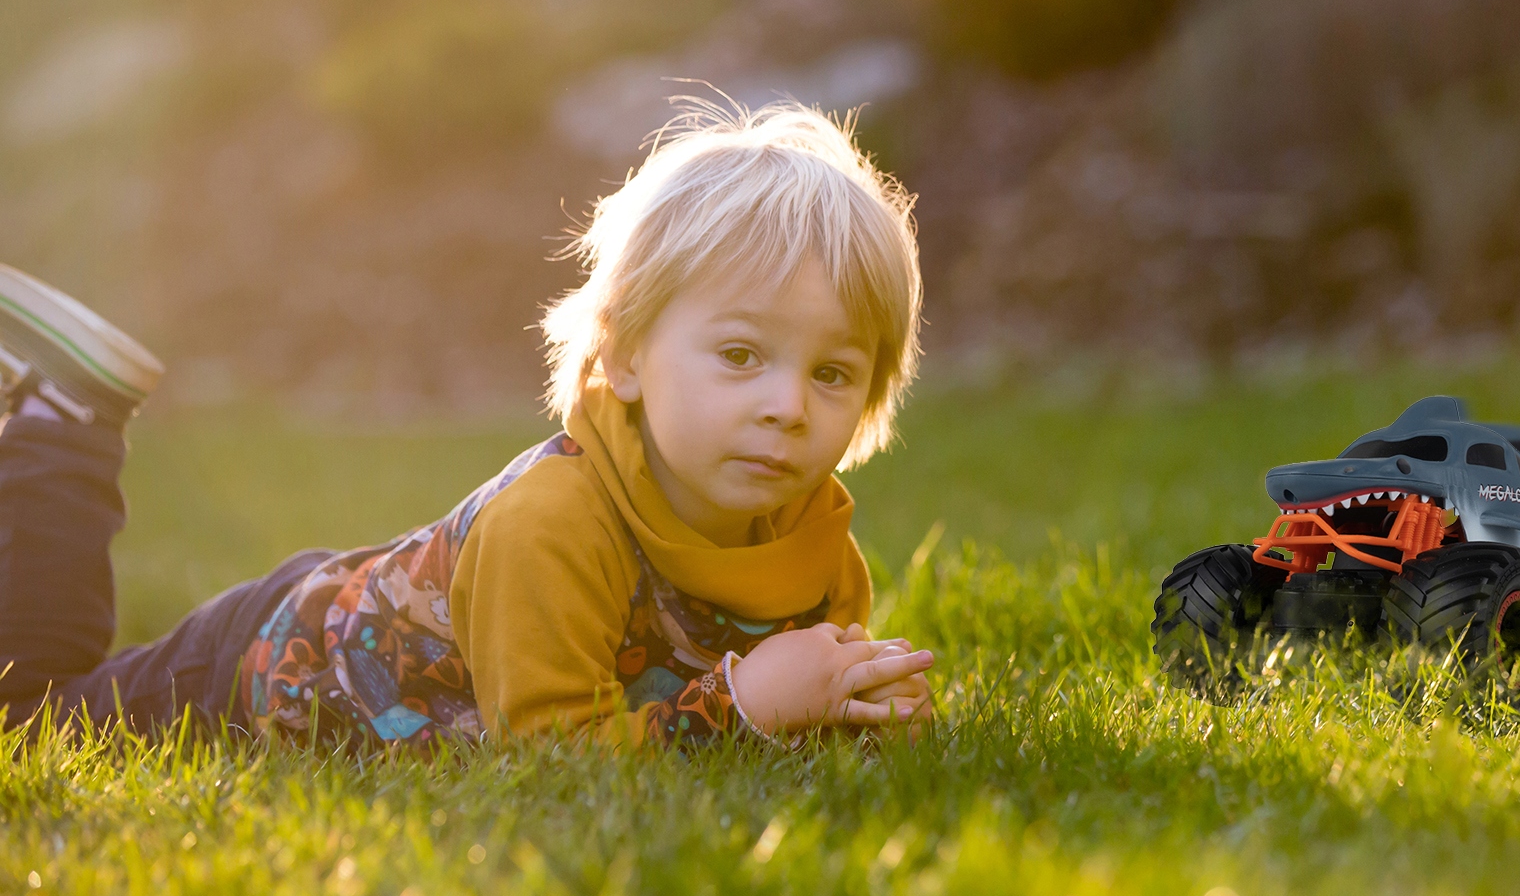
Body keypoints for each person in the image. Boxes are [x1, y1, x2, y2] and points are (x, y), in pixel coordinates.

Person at [0, 104, 935, 750]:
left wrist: (861, 709)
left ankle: (59, 417)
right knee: (30, 711)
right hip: (255, 675)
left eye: (832, 373)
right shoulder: (556, 525)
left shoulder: (813, 548)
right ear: (626, 358)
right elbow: (556, 758)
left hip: (368, 627)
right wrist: (744, 707)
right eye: (740, 355)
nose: (787, 404)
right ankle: (64, 422)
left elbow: (804, 722)